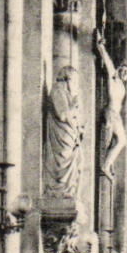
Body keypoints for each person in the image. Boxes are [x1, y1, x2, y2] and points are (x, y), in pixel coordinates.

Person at [95, 25, 127, 180]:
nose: (125, 74)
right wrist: (100, 43)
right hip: (110, 112)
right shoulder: (113, 77)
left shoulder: (122, 84)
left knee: (121, 141)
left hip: (116, 115)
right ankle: (105, 165)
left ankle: (107, 165)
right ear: (119, 69)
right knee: (110, 142)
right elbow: (106, 58)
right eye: (123, 71)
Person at [45, 65, 84, 197]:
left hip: (70, 135)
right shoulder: (57, 91)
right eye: (74, 81)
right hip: (62, 136)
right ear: (67, 79)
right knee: (64, 163)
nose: (75, 85)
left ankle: (69, 192)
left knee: (79, 163)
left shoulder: (66, 93)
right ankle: (61, 190)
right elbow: (62, 115)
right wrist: (74, 106)